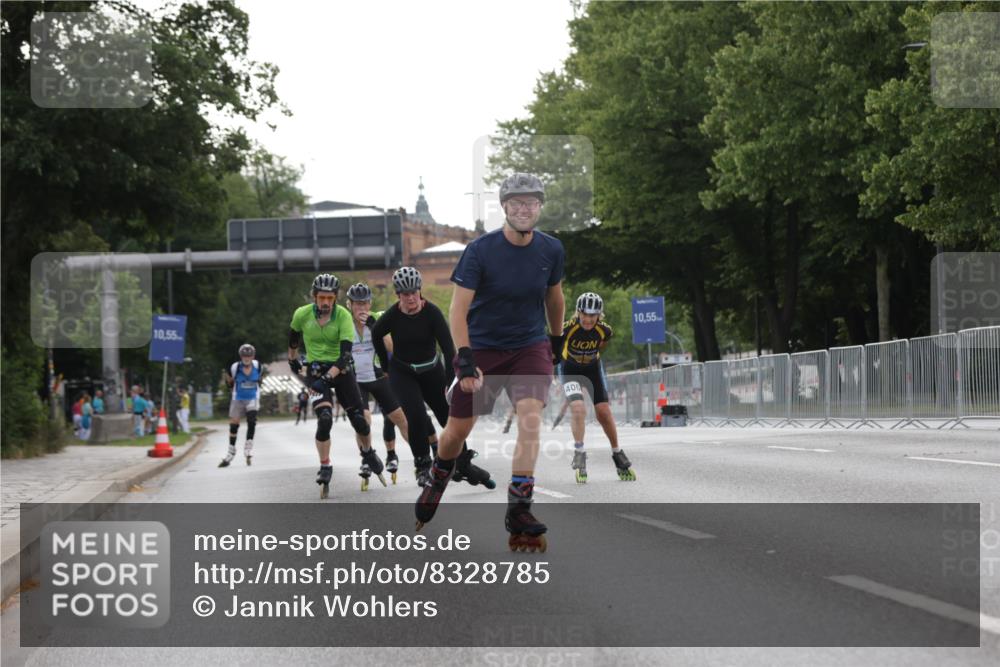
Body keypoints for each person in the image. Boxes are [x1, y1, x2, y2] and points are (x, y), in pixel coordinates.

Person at [414, 173, 564, 553]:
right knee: (455, 433)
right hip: (482, 349)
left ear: (540, 207)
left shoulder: (551, 250)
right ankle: (438, 475)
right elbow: (457, 309)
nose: (524, 209)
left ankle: (519, 509)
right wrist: (465, 360)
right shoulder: (480, 251)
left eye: (531, 203)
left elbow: (555, 298)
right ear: (505, 207)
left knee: (530, 417)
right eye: (517, 203)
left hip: (529, 344)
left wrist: (557, 340)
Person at [372, 267, 494, 490]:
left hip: (432, 370)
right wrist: (385, 364)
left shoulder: (432, 313)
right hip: (403, 372)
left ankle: (463, 462)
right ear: (398, 295)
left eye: (414, 292)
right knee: (416, 415)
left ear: (420, 290)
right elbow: (376, 334)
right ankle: (422, 466)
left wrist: (449, 382)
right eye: (405, 294)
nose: (411, 298)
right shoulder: (392, 315)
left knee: (449, 416)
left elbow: (449, 350)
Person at [288, 273, 384, 498]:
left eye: (330, 298)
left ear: (336, 298)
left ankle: (368, 452)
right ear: (314, 296)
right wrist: (293, 360)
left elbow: (345, 358)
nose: (326, 303)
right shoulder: (301, 315)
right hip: (315, 370)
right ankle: (325, 465)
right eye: (322, 298)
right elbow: (293, 339)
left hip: (340, 371)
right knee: (324, 420)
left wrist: (325, 380)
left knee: (360, 421)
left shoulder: (342, 316)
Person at [559, 292, 632, 483]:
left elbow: (602, 345)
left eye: (593, 315)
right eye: (585, 314)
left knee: (604, 412)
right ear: (578, 312)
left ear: (599, 315)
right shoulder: (567, 329)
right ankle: (579, 452)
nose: (588, 319)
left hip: (593, 369)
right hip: (570, 370)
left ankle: (617, 452)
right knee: (578, 409)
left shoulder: (604, 330)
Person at [345, 282, 410, 484]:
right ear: (349, 305)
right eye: (357, 304)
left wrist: (375, 327)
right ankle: (366, 457)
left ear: (370, 303)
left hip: (379, 377)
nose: (361, 309)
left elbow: (393, 347)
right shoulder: (343, 322)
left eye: (364, 304)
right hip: (357, 381)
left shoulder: (378, 317)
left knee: (401, 419)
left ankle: (420, 458)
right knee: (363, 421)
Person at [220, 343, 262, 467]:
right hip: (237, 397)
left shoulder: (258, 366)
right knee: (234, 425)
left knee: (252, 420)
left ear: (253, 356)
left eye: (249, 356)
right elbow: (229, 380)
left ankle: (248, 446)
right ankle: (231, 450)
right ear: (241, 356)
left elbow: (260, 379)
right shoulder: (235, 367)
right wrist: (230, 383)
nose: (247, 358)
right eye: (244, 356)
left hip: (252, 397)